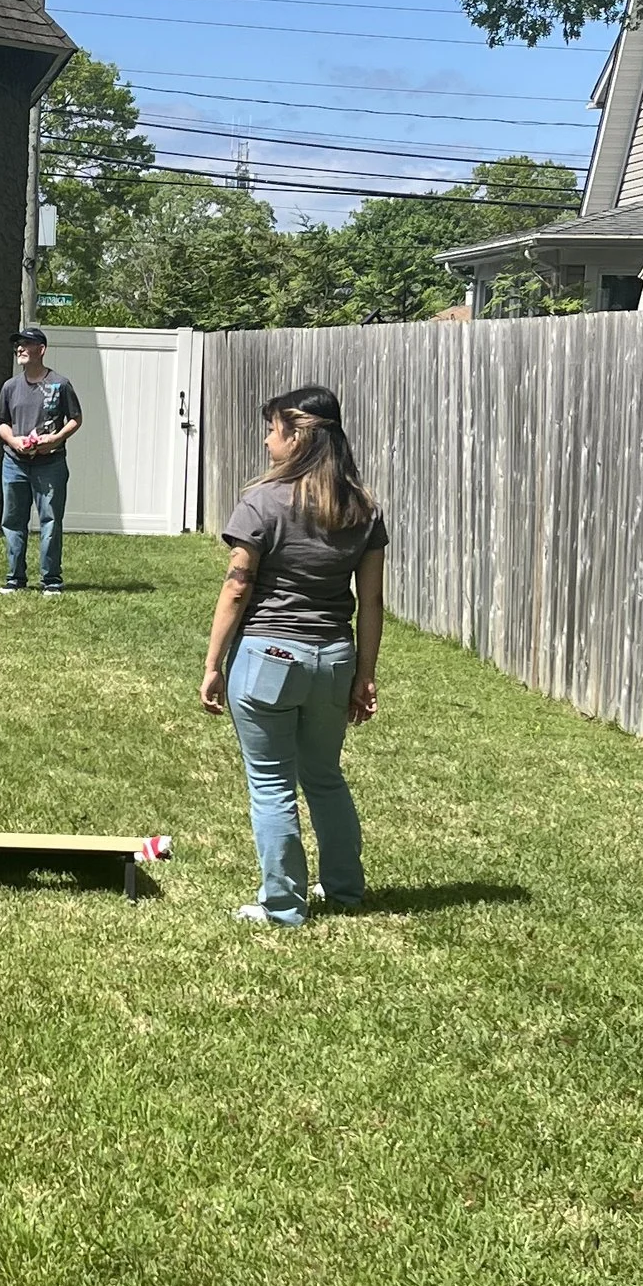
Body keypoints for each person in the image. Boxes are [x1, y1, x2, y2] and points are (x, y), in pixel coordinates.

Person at [200, 383, 388, 926]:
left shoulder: (263, 501)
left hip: (267, 658)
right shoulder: (363, 507)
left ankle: (282, 905)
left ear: (298, 436)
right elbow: (370, 601)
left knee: (271, 784)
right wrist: (365, 675)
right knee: (324, 776)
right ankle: (347, 891)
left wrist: (213, 665)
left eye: (273, 429)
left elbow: (237, 587)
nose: (265, 441)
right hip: (333, 660)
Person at [0, 325, 83, 593]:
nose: (19, 348)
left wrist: (56, 439)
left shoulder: (60, 384)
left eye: (25, 343)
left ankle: (51, 581)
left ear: (41, 350)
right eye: (17, 344)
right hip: (14, 463)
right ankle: (15, 579)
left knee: (51, 521)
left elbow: (75, 419)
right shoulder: (10, 387)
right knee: (13, 521)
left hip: (50, 463)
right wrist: (13, 441)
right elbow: (1, 423)